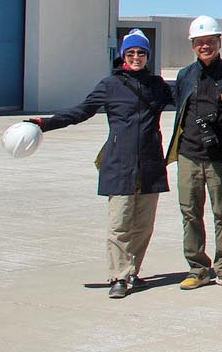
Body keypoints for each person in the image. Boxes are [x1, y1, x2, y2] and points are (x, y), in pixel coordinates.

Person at [30, 30, 173, 299]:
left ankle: (132, 271)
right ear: (123, 55)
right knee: (119, 223)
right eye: (131, 53)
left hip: (150, 163)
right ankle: (118, 276)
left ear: (148, 56)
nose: (136, 57)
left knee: (144, 225)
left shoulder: (157, 86)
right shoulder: (110, 85)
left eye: (141, 53)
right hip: (120, 163)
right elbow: (82, 111)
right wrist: (46, 123)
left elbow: (188, 101)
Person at [167, 16, 222, 290]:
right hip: (189, 155)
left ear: (219, 42)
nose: (205, 47)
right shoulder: (184, 76)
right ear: (193, 46)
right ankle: (198, 268)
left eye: (210, 42)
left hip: (220, 160)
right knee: (190, 212)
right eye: (200, 43)